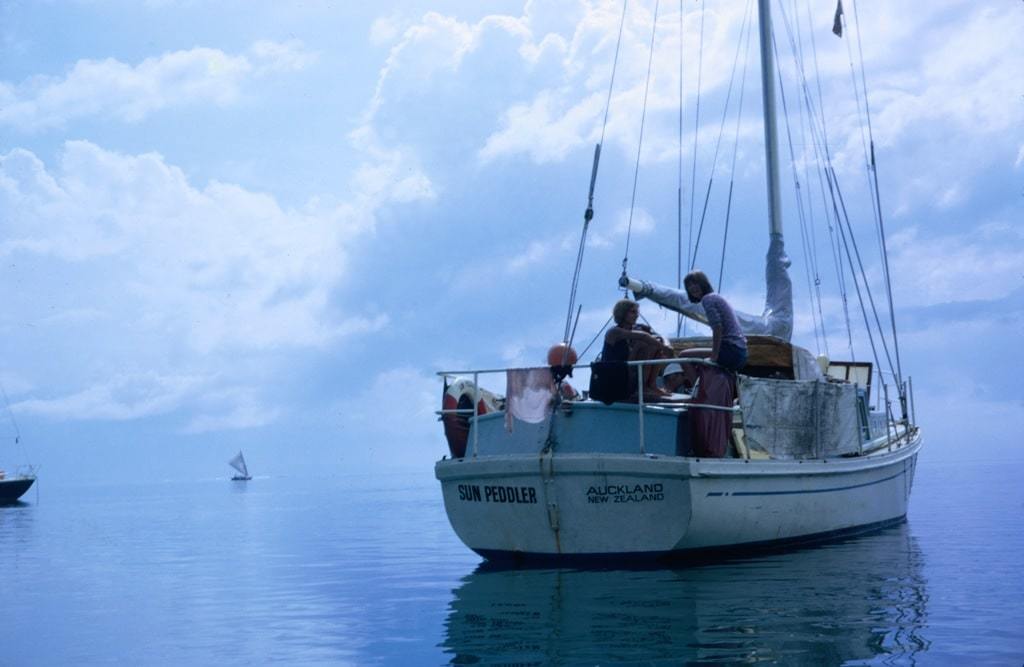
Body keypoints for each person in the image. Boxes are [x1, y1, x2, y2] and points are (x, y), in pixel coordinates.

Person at [602, 299, 677, 400]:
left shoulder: (637, 329)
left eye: (637, 312)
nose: (636, 315)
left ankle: (651, 385)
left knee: (654, 344)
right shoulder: (614, 332)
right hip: (616, 374)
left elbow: (659, 337)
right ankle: (642, 387)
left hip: (629, 369)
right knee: (645, 343)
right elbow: (644, 337)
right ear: (623, 312)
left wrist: (666, 346)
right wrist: (663, 347)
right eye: (633, 312)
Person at [683, 270, 748, 371]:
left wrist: (714, 356)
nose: (692, 287)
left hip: (731, 350)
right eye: (689, 286)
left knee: (683, 356)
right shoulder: (715, 297)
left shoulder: (707, 300)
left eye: (695, 283)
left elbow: (717, 328)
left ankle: (699, 386)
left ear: (703, 283)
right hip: (741, 352)